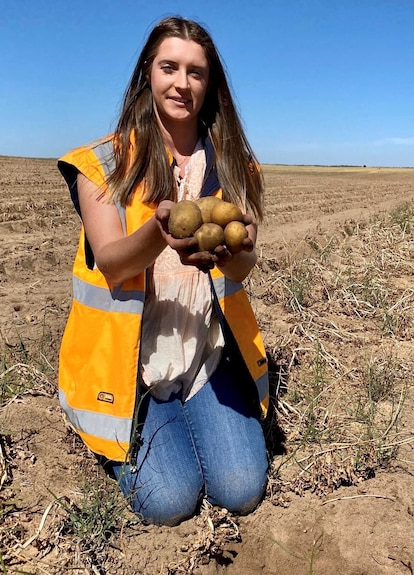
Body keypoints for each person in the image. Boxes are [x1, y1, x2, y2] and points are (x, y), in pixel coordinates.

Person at [56, 16, 269, 526]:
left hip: (202, 357)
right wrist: (160, 233)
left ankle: (185, 415)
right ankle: (135, 424)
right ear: (147, 73)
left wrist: (234, 253)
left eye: (196, 72)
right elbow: (110, 261)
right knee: (171, 502)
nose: (182, 83)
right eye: (169, 67)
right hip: (131, 365)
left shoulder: (237, 166)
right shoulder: (104, 162)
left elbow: (244, 262)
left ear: (210, 83)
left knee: (241, 489)